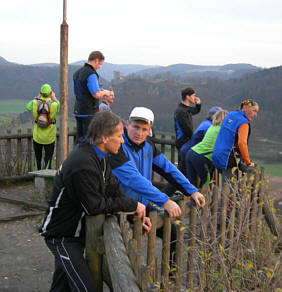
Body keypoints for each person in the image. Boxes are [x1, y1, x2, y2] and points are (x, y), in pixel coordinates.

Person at [39, 111, 148, 292]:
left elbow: (114, 189)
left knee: (61, 285)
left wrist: (134, 213)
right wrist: (133, 205)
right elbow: (94, 206)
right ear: (104, 138)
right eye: (119, 136)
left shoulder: (100, 157)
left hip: (76, 233)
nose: (123, 141)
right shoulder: (83, 163)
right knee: (85, 288)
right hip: (62, 236)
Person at [162, 87, 201, 195]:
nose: (195, 97)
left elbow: (195, 111)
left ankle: (179, 191)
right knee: (181, 172)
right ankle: (165, 194)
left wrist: (198, 105)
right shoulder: (181, 111)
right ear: (187, 96)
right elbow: (187, 129)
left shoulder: (185, 109)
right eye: (193, 95)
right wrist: (195, 139)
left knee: (182, 171)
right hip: (183, 142)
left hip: (185, 142)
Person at [212, 99, 259, 182]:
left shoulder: (230, 115)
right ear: (245, 108)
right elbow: (242, 143)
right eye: (254, 111)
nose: (255, 115)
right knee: (227, 188)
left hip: (217, 154)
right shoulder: (243, 122)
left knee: (221, 185)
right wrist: (248, 162)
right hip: (228, 159)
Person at [73, 50, 113, 142]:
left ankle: (77, 155)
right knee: (89, 139)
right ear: (96, 60)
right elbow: (96, 94)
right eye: (100, 64)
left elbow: (76, 92)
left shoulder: (77, 73)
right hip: (89, 111)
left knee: (79, 139)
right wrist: (106, 92)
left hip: (78, 110)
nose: (99, 67)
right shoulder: (91, 74)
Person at [186, 110, 228, 192]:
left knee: (190, 184)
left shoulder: (212, 127)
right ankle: (204, 203)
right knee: (206, 182)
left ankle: (187, 204)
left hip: (191, 152)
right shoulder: (222, 130)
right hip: (200, 156)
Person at [26, 84, 60, 170]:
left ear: (41, 93)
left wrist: (37, 98)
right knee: (48, 158)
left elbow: (28, 107)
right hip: (49, 137)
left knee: (38, 157)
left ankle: (37, 177)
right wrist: (54, 98)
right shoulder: (54, 104)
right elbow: (59, 107)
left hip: (37, 136)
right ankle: (46, 176)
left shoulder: (35, 103)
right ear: (50, 93)